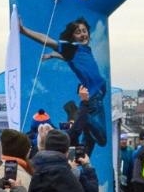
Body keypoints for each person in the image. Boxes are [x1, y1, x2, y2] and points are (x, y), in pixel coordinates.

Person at [17, 18, 108, 152]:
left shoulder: (82, 49)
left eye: (84, 31)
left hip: (96, 97)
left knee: (89, 140)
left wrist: (55, 56)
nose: (83, 34)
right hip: (94, 99)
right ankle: (83, 117)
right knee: (102, 139)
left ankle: (83, 162)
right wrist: (24, 31)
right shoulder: (71, 48)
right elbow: (46, 40)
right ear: (72, 37)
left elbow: (71, 59)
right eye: (78, 32)